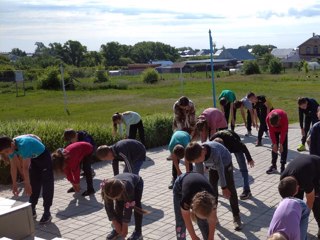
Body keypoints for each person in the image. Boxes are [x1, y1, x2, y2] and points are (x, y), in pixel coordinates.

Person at [185, 141, 242, 231]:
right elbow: (200, 175)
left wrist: (224, 187)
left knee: (230, 189)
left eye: (197, 161)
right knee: (212, 192)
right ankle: (213, 216)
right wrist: (200, 191)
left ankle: (236, 216)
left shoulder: (214, 152)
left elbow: (221, 170)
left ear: (202, 152)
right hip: (212, 167)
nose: (197, 163)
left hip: (225, 164)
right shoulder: (198, 154)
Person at [0, 135, 54, 224]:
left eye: (6, 151)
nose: (7, 153)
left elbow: (25, 168)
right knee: (34, 185)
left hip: (44, 158)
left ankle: (47, 212)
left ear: (12, 144)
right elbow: (13, 167)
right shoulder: (11, 148)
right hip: (34, 159)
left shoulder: (24, 145)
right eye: (4, 153)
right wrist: (14, 184)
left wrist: (27, 184)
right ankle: (32, 209)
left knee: (47, 186)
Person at [281, 154, 320, 238]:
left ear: (297, 188)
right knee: (296, 204)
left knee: (316, 204)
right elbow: (289, 201)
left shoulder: (305, 180)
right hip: (303, 168)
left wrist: (305, 215)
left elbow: (310, 200)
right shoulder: (283, 179)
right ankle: (297, 226)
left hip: (317, 168)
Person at [210, 129, 255, 200]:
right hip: (226, 141)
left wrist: (249, 159)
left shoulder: (234, 143)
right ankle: (222, 190)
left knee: (243, 168)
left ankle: (247, 190)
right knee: (221, 169)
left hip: (234, 142)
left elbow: (243, 147)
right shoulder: (211, 142)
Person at [101, 173, 147, 240]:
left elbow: (128, 208)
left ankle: (138, 232)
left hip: (137, 183)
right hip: (120, 186)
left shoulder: (128, 188)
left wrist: (125, 225)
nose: (114, 200)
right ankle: (117, 231)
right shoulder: (107, 187)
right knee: (119, 205)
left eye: (115, 198)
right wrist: (115, 223)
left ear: (121, 191)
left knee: (137, 205)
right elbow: (108, 206)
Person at [173, 172, 217, 240]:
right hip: (180, 184)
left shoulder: (212, 202)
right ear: (193, 209)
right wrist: (193, 237)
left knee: (203, 222)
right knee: (180, 221)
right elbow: (186, 219)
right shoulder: (186, 202)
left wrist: (211, 237)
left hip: (196, 182)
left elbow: (212, 220)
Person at [266, 109, 288, 174]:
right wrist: (274, 143)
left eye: (276, 125)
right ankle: (273, 165)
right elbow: (271, 131)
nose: (275, 127)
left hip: (283, 129)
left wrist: (281, 144)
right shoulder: (268, 118)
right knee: (274, 147)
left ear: (279, 120)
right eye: (274, 125)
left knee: (283, 146)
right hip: (274, 132)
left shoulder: (283, 117)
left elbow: (284, 132)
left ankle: (282, 166)